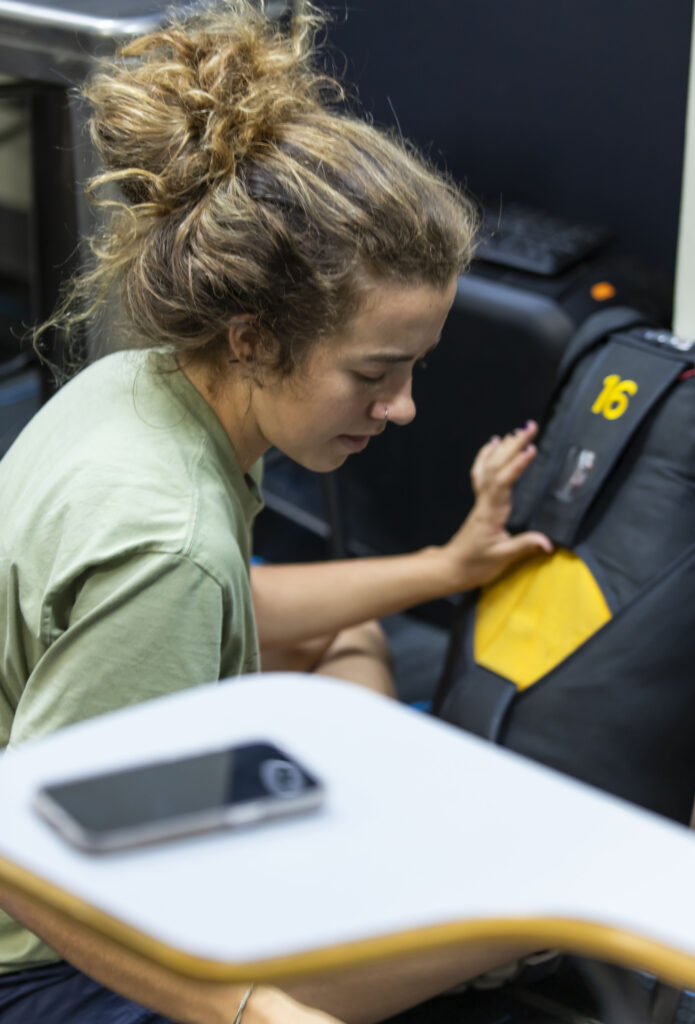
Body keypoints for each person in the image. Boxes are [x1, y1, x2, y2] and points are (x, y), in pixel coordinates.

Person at [0, 3, 552, 1021]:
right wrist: (254, 1009)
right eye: (376, 373)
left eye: (416, 368)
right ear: (254, 336)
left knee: (348, 630)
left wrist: (444, 566)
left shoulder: (140, 390)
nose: (404, 407)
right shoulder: (168, 543)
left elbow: (233, 604)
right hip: (45, 962)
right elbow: (27, 851)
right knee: (532, 897)